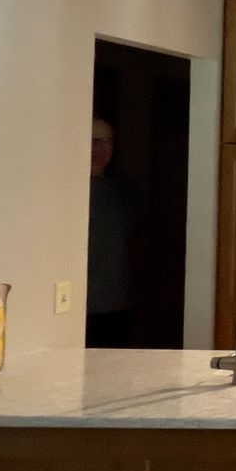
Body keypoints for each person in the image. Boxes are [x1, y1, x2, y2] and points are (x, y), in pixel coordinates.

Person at [85, 117, 139, 347]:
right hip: (79, 309)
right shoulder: (68, 188)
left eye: (107, 140)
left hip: (119, 306)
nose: (101, 148)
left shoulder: (123, 191)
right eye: (93, 140)